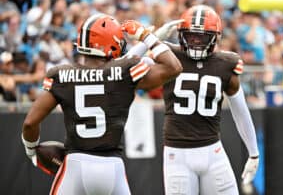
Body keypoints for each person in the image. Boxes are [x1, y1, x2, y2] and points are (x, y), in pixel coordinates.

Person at [21, 14, 182, 195]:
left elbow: (29, 123)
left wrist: (31, 150)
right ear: (111, 44)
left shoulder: (62, 76)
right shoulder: (123, 73)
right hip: (112, 168)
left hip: (75, 165)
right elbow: (173, 67)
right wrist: (148, 37)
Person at [161, 5, 259, 195]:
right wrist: (154, 40)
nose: (196, 41)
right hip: (177, 154)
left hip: (212, 150)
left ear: (215, 37)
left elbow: (241, 111)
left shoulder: (225, 64)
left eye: (202, 37)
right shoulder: (168, 55)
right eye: (191, 36)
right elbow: (126, 66)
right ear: (181, 34)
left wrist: (254, 153)